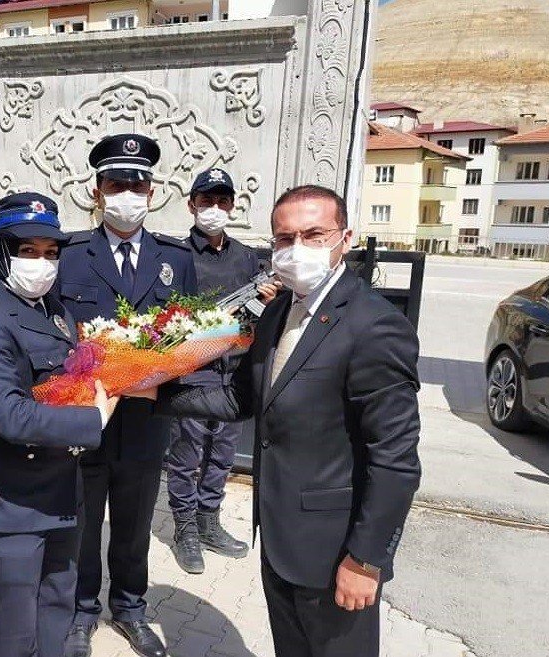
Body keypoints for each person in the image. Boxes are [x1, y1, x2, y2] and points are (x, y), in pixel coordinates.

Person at [157, 185, 421, 657]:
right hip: (279, 539)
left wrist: (366, 560)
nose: (297, 249)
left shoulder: (373, 326)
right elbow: (242, 399)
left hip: (335, 552)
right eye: (284, 238)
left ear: (346, 238)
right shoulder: (279, 309)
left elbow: (395, 460)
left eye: (314, 234)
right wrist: (158, 391)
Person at [0, 192, 119, 657]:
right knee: (13, 626)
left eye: (50, 253)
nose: (42, 263)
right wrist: (92, 418)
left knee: (57, 607)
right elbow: (5, 413)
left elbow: (66, 380)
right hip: (8, 503)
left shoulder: (55, 310)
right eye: (28, 251)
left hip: (61, 491)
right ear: (1, 252)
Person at [57, 134, 197, 657]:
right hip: (85, 418)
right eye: (117, 184)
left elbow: (187, 334)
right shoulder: (69, 256)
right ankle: (81, 610)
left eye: (138, 184)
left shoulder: (174, 258)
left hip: (145, 418)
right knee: (83, 517)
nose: (128, 194)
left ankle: (132, 608)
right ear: (97, 192)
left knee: (135, 519)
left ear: (153, 191)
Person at [167, 168, 264, 574]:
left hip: (235, 372)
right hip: (191, 371)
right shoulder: (173, 255)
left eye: (223, 201)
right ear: (191, 205)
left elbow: (257, 314)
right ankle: (185, 528)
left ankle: (210, 521)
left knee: (222, 453)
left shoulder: (246, 257)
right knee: (186, 452)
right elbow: (165, 318)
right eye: (206, 201)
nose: (215, 209)